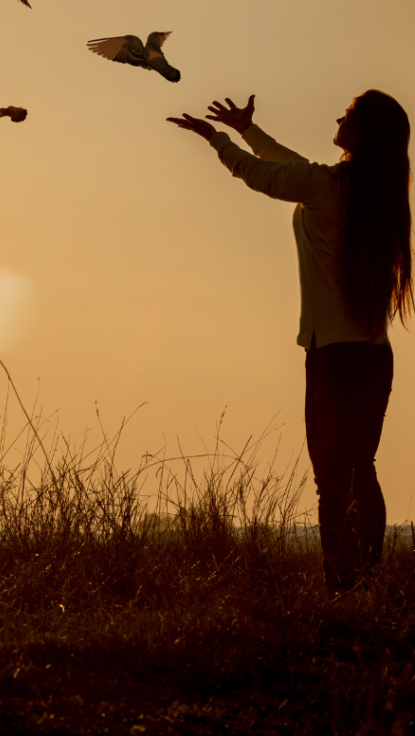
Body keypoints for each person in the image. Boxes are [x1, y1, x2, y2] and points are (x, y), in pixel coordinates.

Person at [168, 91, 413, 590]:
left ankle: (342, 586)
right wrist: (248, 132)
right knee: (360, 468)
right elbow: (294, 166)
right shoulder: (372, 192)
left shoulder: (325, 186)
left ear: (361, 133)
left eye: (347, 116)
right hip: (372, 354)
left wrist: (216, 138)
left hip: (331, 355)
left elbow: (265, 176)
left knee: (331, 477)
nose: (338, 118)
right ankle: (364, 579)